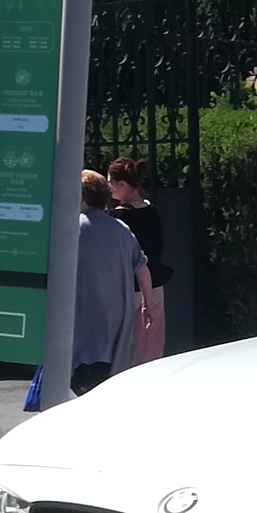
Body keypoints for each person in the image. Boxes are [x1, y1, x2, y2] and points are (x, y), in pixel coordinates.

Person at [67, 169, 147, 396]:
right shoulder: (121, 229)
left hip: (84, 319)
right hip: (116, 319)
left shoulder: (73, 228)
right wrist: (148, 304)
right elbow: (141, 267)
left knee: (83, 381)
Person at [106, 153, 171, 362]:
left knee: (130, 347)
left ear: (122, 184)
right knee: (152, 345)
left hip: (130, 288)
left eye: (111, 183)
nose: (109, 188)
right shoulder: (152, 211)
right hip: (155, 285)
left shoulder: (118, 218)